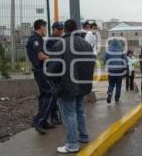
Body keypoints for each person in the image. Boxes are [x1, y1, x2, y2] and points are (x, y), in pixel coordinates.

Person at [48, 19, 95, 153]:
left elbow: (53, 68)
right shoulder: (86, 44)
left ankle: (72, 144)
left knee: (69, 114)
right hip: (82, 85)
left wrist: (54, 82)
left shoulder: (60, 44)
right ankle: (84, 136)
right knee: (80, 111)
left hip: (66, 85)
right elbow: (91, 63)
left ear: (65, 30)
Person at [25, 19, 56, 134]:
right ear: (41, 27)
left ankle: (43, 121)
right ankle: (38, 120)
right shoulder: (35, 39)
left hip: (41, 70)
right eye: (45, 27)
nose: (46, 30)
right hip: (40, 71)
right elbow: (41, 55)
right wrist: (54, 59)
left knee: (44, 95)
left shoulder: (37, 38)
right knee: (51, 93)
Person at [45, 21, 64, 125]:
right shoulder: (50, 41)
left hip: (61, 71)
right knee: (54, 95)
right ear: (53, 29)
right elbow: (49, 55)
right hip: (53, 72)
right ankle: (53, 116)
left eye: (62, 29)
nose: (61, 31)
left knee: (60, 95)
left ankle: (60, 115)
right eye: (59, 29)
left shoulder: (62, 39)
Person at [104, 39, 127, 104]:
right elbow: (125, 61)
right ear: (119, 44)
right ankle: (117, 99)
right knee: (118, 85)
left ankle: (109, 93)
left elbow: (104, 59)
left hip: (111, 70)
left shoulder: (108, 50)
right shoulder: (121, 50)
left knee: (111, 84)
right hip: (119, 70)